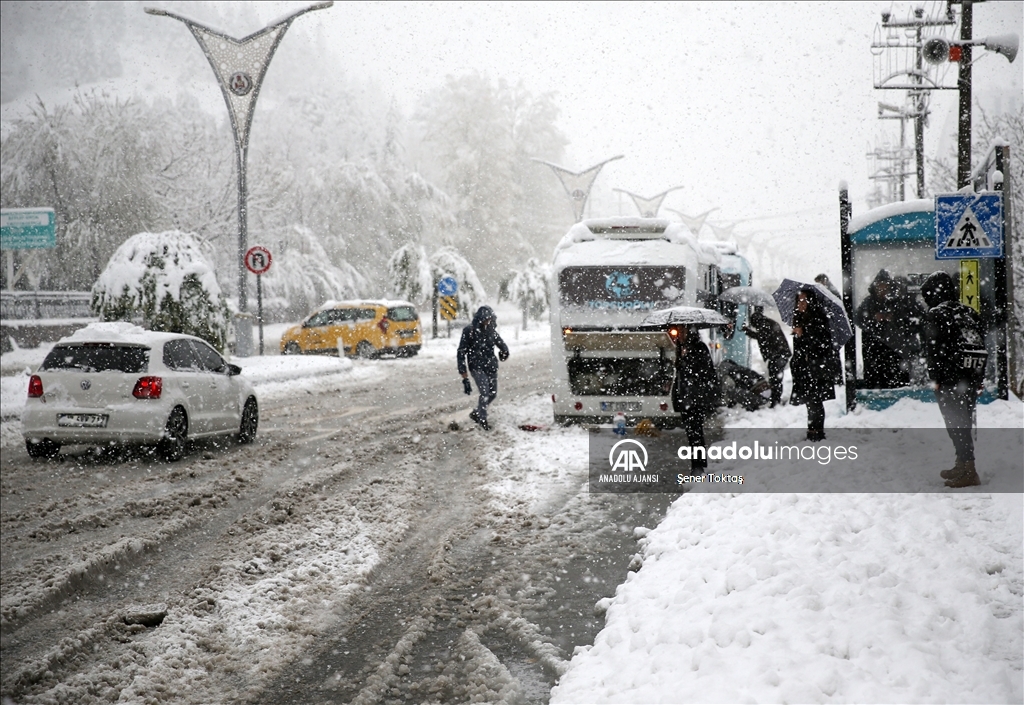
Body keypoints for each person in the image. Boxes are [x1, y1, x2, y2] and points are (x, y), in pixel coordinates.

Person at [921, 271, 984, 488]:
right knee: (963, 421)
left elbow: (934, 349)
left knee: (955, 424)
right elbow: (980, 345)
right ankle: (962, 463)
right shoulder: (968, 312)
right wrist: (979, 378)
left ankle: (969, 470)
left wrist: (935, 378)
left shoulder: (936, 314)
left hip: (949, 378)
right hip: (969, 376)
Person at [856, 269, 920, 387]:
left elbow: (907, 321)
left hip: (895, 348)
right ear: (875, 287)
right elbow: (858, 320)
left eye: (885, 287)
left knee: (898, 382)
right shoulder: (868, 302)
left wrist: (894, 318)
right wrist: (874, 319)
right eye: (880, 287)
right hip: (873, 349)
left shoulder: (896, 301)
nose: (882, 290)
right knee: (876, 381)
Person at [790, 288, 837, 441]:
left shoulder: (818, 318)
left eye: (804, 300)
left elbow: (822, 344)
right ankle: (813, 431)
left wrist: (804, 333)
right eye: (799, 300)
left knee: (814, 401)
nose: (801, 304)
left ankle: (817, 432)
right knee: (810, 401)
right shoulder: (799, 318)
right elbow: (800, 348)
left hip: (816, 367)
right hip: (804, 367)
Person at [671, 326, 720, 474]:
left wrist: (687, 360)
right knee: (692, 433)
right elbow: (681, 373)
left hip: (695, 398)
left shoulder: (699, 348)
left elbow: (705, 372)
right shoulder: (682, 348)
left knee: (695, 432)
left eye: (682, 332)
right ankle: (697, 464)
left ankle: (698, 466)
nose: (679, 336)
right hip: (686, 397)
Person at [457, 306, 509, 430]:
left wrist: (504, 352)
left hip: (490, 366)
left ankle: (476, 413)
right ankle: (482, 419)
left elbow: (501, 344)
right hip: (476, 367)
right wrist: (464, 377)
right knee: (484, 392)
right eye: (486, 319)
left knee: (492, 394)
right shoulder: (469, 331)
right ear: (480, 319)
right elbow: (461, 353)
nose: (488, 322)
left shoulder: (491, 331)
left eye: (490, 319)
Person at [742, 306, 791, 407]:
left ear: (756, 321)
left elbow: (761, 338)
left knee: (775, 379)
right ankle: (775, 399)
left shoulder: (764, 325)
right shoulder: (768, 323)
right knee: (776, 378)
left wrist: (748, 331)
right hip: (780, 355)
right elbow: (762, 337)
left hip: (777, 356)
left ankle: (775, 401)